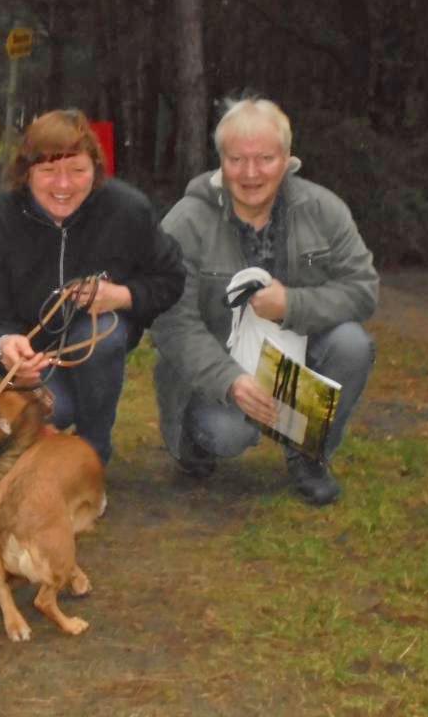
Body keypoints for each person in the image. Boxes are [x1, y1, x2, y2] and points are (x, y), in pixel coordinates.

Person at [150, 96, 378, 506]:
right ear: (221, 161)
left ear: (287, 159)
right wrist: (230, 381)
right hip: (215, 371)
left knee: (352, 343)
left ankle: (308, 453)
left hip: (292, 358)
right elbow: (171, 322)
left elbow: (362, 289)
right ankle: (194, 441)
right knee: (227, 434)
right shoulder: (185, 221)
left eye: (265, 159)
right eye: (236, 160)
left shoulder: (324, 210)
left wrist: (292, 305)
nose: (250, 173)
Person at [0, 109, 185, 464]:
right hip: (33, 359)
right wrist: (4, 347)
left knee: (105, 333)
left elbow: (170, 277)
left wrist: (121, 296)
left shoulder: (127, 210)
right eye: (48, 171)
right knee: (54, 412)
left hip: (95, 346)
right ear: (26, 173)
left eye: (77, 170)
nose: (63, 185)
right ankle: (13, 420)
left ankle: (94, 451)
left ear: (96, 170)